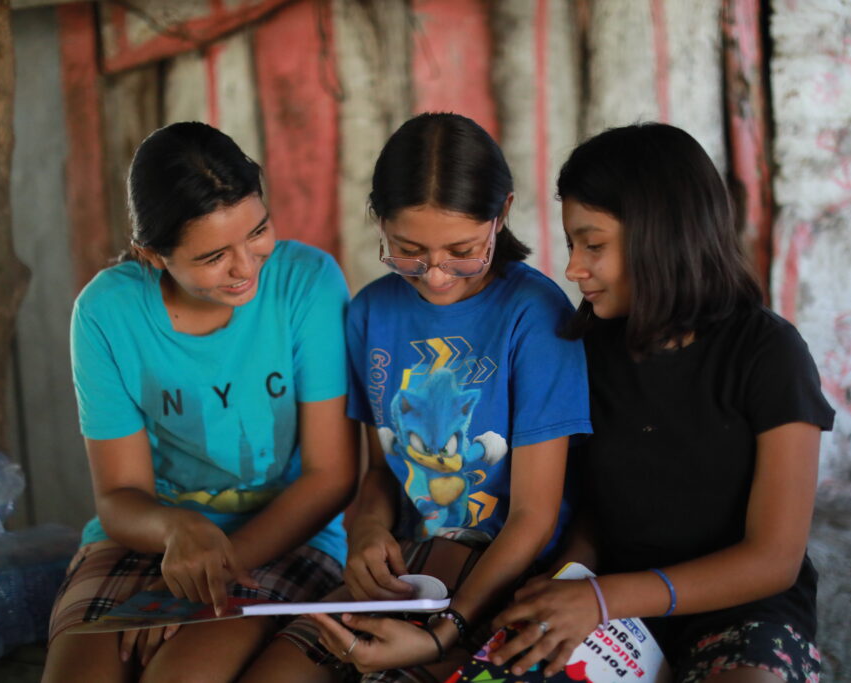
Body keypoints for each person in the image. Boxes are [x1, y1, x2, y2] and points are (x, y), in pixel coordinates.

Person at [242, 112, 592, 682]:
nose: (435, 275)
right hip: (410, 571)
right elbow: (382, 469)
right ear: (378, 220)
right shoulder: (371, 313)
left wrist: (443, 632)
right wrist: (367, 532)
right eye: (407, 250)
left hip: (509, 583)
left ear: (501, 214)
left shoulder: (535, 318)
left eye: (462, 250)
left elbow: (532, 519)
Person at [490, 123, 834, 683]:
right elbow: (593, 511)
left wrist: (606, 598)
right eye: (573, 245)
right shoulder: (584, 349)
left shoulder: (768, 354)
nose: (575, 268)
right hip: (610, 610)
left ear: (661, 234)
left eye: (592, 244)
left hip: (740, 612)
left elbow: (774, 559)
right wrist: (568, 582)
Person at [42, 121, 358, 683]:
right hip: (148, 540)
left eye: (258, 231)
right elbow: (119, 497)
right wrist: (175, 534)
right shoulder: (106, 313)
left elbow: (330, 477)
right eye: (213, 256)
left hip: (285, 537)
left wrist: (197, 579)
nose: (246, 266)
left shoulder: (305, 284)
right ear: (153, 254)